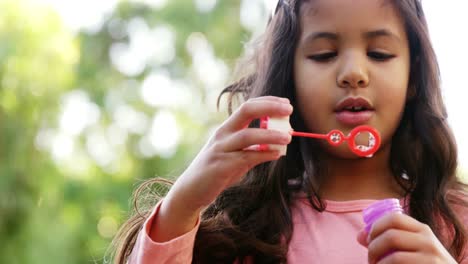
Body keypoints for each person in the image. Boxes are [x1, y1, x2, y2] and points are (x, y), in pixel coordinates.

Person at [111, 0, 468, 263]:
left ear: (413, 77)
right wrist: (184, 204)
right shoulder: (244, 230)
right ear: (290, 80)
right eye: (325, 54)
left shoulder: (457, 223)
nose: (353, 72)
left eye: (378, 53)